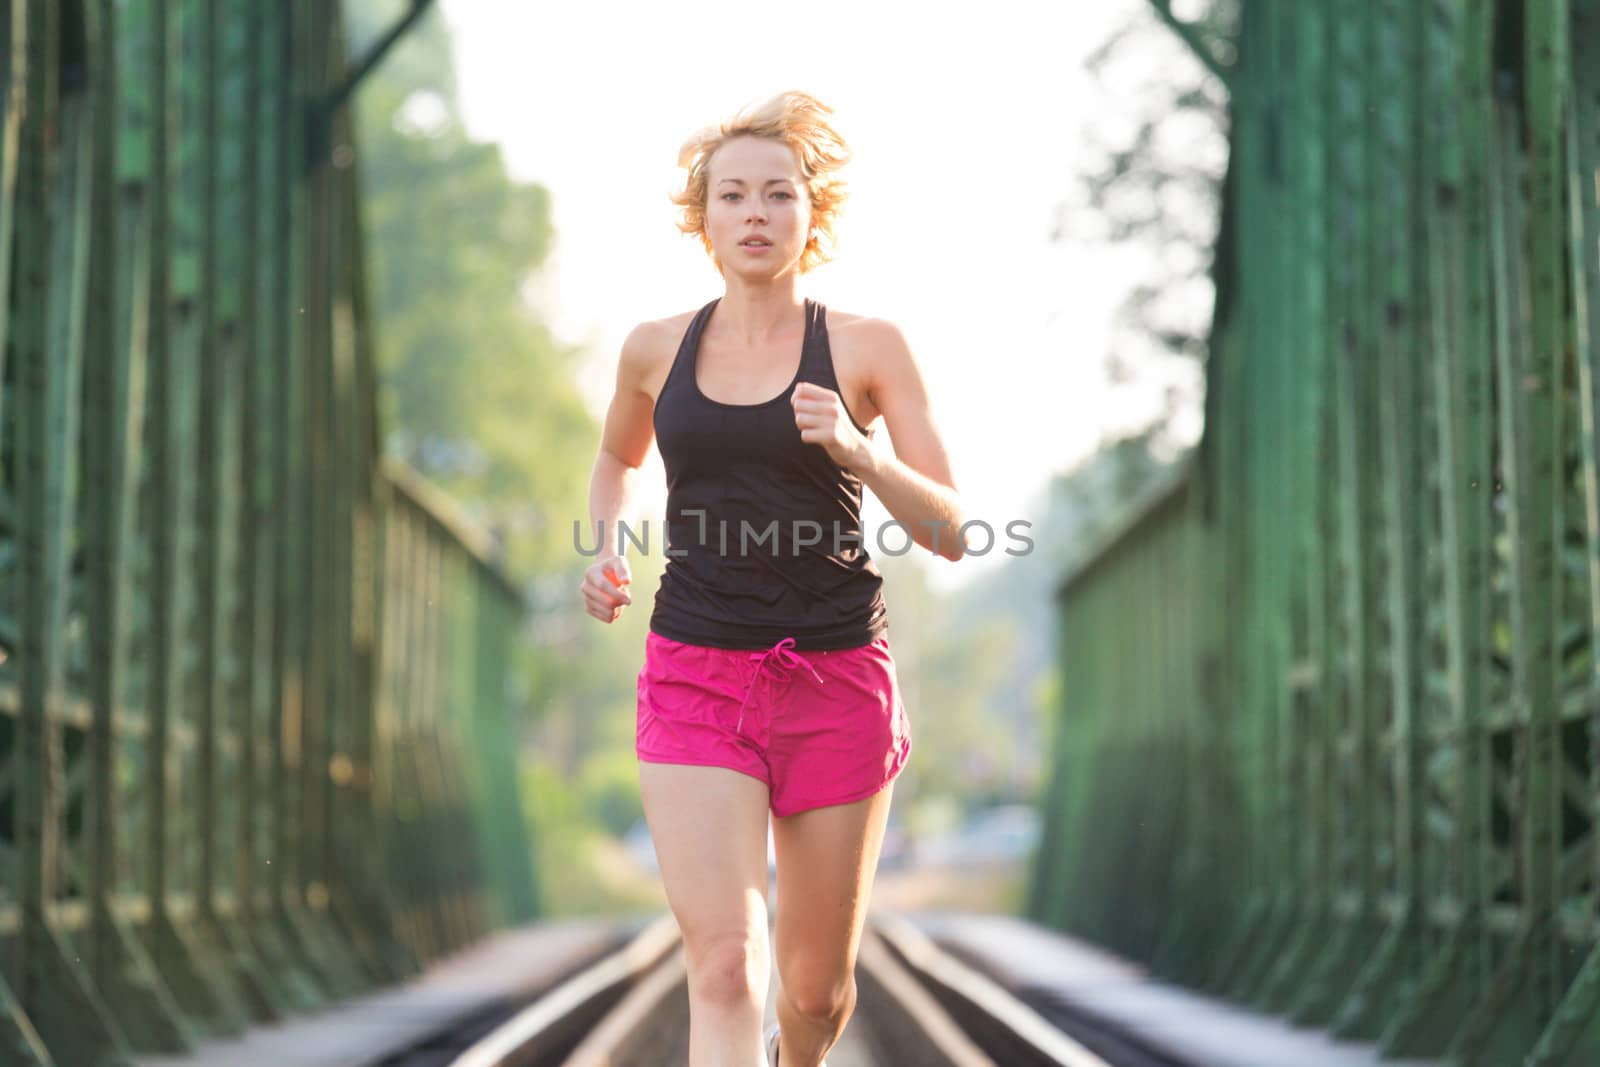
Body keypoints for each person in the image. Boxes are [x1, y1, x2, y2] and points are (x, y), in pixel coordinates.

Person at [580, 90, 965, 1067]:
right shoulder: (652, 348)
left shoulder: (870, 348)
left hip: (835, 680)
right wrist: (604, 544)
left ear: (811, 212)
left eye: (778, 194)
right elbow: (615, 461)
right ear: (700, 218)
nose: (755, 213)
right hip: (697, 671)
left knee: (813, 989)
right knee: (721, 965)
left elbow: (952, 531)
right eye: (733, 195)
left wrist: (859, 451)